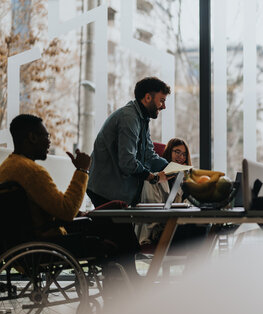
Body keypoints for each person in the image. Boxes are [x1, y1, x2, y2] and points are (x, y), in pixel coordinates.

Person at [0, 114, 141, 279]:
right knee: (118, 220)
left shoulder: (8, 168)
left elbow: (45, 207)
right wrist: (82, 171)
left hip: (21, 244)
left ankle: (124, 278)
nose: (49, 142)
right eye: (47, 136)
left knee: (113, 213)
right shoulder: (32, 172)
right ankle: (129, 277)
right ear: (32, 137)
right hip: (49, 243)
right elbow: (66, 211)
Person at [87, 77, 171, 207]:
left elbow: (149, 154)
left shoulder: (142, 118)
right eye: (161, 101)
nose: (164, 106)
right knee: (121, 228)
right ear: (148, 97)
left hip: (116, 190)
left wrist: (170, 168)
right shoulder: (129, 118)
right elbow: (127, 162)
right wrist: (152, 177)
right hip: (106, 191)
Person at [137, 138, 192, 245]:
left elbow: (183, 207)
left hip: (173, 225)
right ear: (169, 152)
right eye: (177, 152)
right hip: (155, 231)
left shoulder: (180, 181)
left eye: (184, 154)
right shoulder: (153, 179)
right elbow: (153, 215)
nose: (181, 157)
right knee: (197, 232)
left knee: (203, 227)